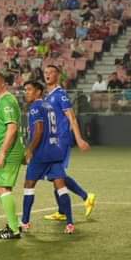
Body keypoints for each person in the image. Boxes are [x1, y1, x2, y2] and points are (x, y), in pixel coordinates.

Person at [41, 64, 96, 221]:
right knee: (55, 176)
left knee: (57, 175)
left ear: (58, 76)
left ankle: (86, 197)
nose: (48, 74)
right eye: (46, 72)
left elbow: (71, 117)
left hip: (61, 140)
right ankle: (62, 211)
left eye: (51, 72)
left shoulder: (60, 94)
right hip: (52, 141)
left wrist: (79, 139)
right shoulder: (48, 96)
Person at [19, 81, 76, 234]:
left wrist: (30, 150)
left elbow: (38, 130)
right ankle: (70, 223)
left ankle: (25, 222)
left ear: (38, 92)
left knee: (29, 185)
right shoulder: (49, 106)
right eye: (26, 90)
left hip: (41, 153)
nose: (26, 92)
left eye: (29, 90)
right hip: (54, 151)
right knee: (61, 186)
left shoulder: (35, 107)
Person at [0, 71, 24, 240]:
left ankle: (14, 229)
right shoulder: (2, 100)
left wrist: (2, 152)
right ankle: (13, 224)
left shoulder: (7, 101)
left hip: (9, 151)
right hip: (5, 150)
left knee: (3, 188)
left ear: (3, 84)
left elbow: (12, 128)